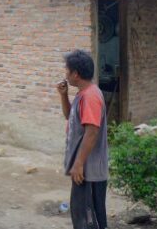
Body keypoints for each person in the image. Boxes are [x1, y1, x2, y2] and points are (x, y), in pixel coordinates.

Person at [57, 50, 109, 229]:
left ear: (76, 74)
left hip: (89, 170)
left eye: (67, 70)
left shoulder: (90, 97)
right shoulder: (83, 93)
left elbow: (92, 132)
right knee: (84, 214)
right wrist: (63, 95)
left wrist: (78, 164)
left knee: (88, 217)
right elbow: (69, 116)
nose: (65, 74)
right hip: (84, 168)